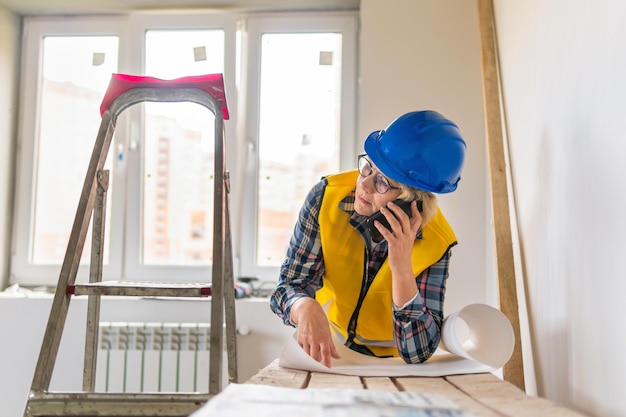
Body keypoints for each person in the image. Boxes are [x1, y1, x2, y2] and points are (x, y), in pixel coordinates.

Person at [270, 110, 466, 367]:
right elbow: (288, 287)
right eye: (368, 167)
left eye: (383, 181)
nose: (363, 185)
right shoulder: (325, 198)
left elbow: (418, 352)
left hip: (394, 364)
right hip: (333, 349)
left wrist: (402, 268)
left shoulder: (437, 243)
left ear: (411, 201)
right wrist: (303, 305)